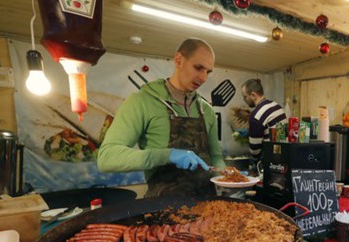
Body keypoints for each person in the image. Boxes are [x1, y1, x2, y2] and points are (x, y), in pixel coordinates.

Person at [98, 38, 225, 197]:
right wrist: (167, 155)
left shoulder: (207, 110)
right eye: (198, 68)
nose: (204, 78)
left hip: (209, 206)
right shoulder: (142, 101)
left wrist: (225, 175)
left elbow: (215, 156)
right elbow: (107, 157)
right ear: (178, 60)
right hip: (162, 209)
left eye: (208, 71)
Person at [241, 78, 286, 162]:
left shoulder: (256, 116)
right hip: (283, 156)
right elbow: (270, 128)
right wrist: (249, 131)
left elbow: (255, 151)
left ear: (253, 95)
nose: (244, 100)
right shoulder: (277, 106)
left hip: (271, 161)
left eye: (244, 97)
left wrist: (254, 162)